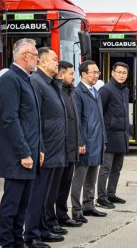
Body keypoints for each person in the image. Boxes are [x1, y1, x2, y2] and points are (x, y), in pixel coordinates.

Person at [0, 38, 44, 248]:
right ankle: (7, 243)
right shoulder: (10, 79)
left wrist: (39, 148)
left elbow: (33, 118)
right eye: (35, 55)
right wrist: (24, 152)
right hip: (18, 156)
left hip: (30, 154)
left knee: (23, 204)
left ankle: (17, 241)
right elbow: (10, 119)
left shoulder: (25, 79)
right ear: (25, 56)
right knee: (11, 204)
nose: (37, 60)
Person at [24, 47, 65, 248]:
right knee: (38, 194)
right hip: (45, 149)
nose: (57, 63)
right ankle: (31, 236)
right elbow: (35, 119)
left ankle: (43, 229)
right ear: (41, 62)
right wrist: (40, 147)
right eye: (54, 60)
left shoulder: (51, 83)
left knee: (48, 193)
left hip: (56, 148)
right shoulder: (36, 82)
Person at [45, 61, 83, 228]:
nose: (73, 77)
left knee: (64, 186)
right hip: (60, 149)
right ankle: (50, 219)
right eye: (71, 74)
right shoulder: (57, 93)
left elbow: (76, 121)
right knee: (53, 189)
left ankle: (62, 215)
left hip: (72, 148)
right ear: (60, 74)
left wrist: (79, 141)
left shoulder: (70, 93)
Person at [71, 60, 107, 223]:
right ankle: (77, 209)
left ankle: (89, 205)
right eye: (93, 72)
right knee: (80, 177)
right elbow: (77, 120)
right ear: (83, 74)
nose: (96, 75)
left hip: (97, 142)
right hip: (85, 143)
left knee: (92, 176)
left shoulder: (95, 92)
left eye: (97, 72)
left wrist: (103, 139)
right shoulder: (77, 93)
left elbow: (100, 119)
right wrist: (80, 142)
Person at [96, 62, 130, 209]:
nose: (121, 75)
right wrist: (102, 136)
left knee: (117, 168)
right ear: (112, 73)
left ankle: (111, 193)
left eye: (124, 73)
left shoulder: (125, 90)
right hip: (109, 136)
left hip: (121, 136)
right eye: (119, 72)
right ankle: (101, 197)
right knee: (105, 168)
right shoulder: (106, 90)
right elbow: (99, 113)